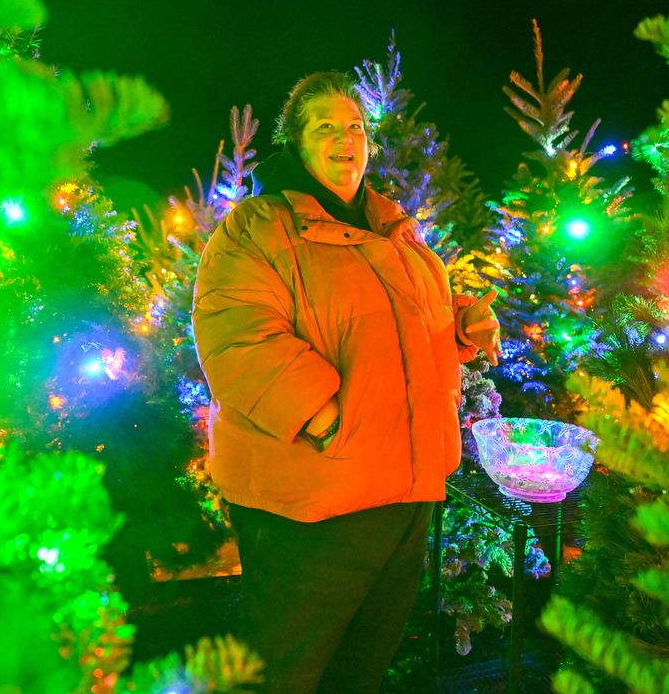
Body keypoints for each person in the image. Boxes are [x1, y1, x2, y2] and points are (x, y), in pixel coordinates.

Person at [191, 70, 500, 693]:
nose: (345, 139)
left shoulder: (396, 233)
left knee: (362, 667)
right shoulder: (258, 228)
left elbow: (400, 325)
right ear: (295, 143)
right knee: (287, 670)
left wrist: (460, 327)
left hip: (405, 492)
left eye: (355, 127)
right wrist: (327, 419)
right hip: (315, 499)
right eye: (325, 127)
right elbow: (239, 336)